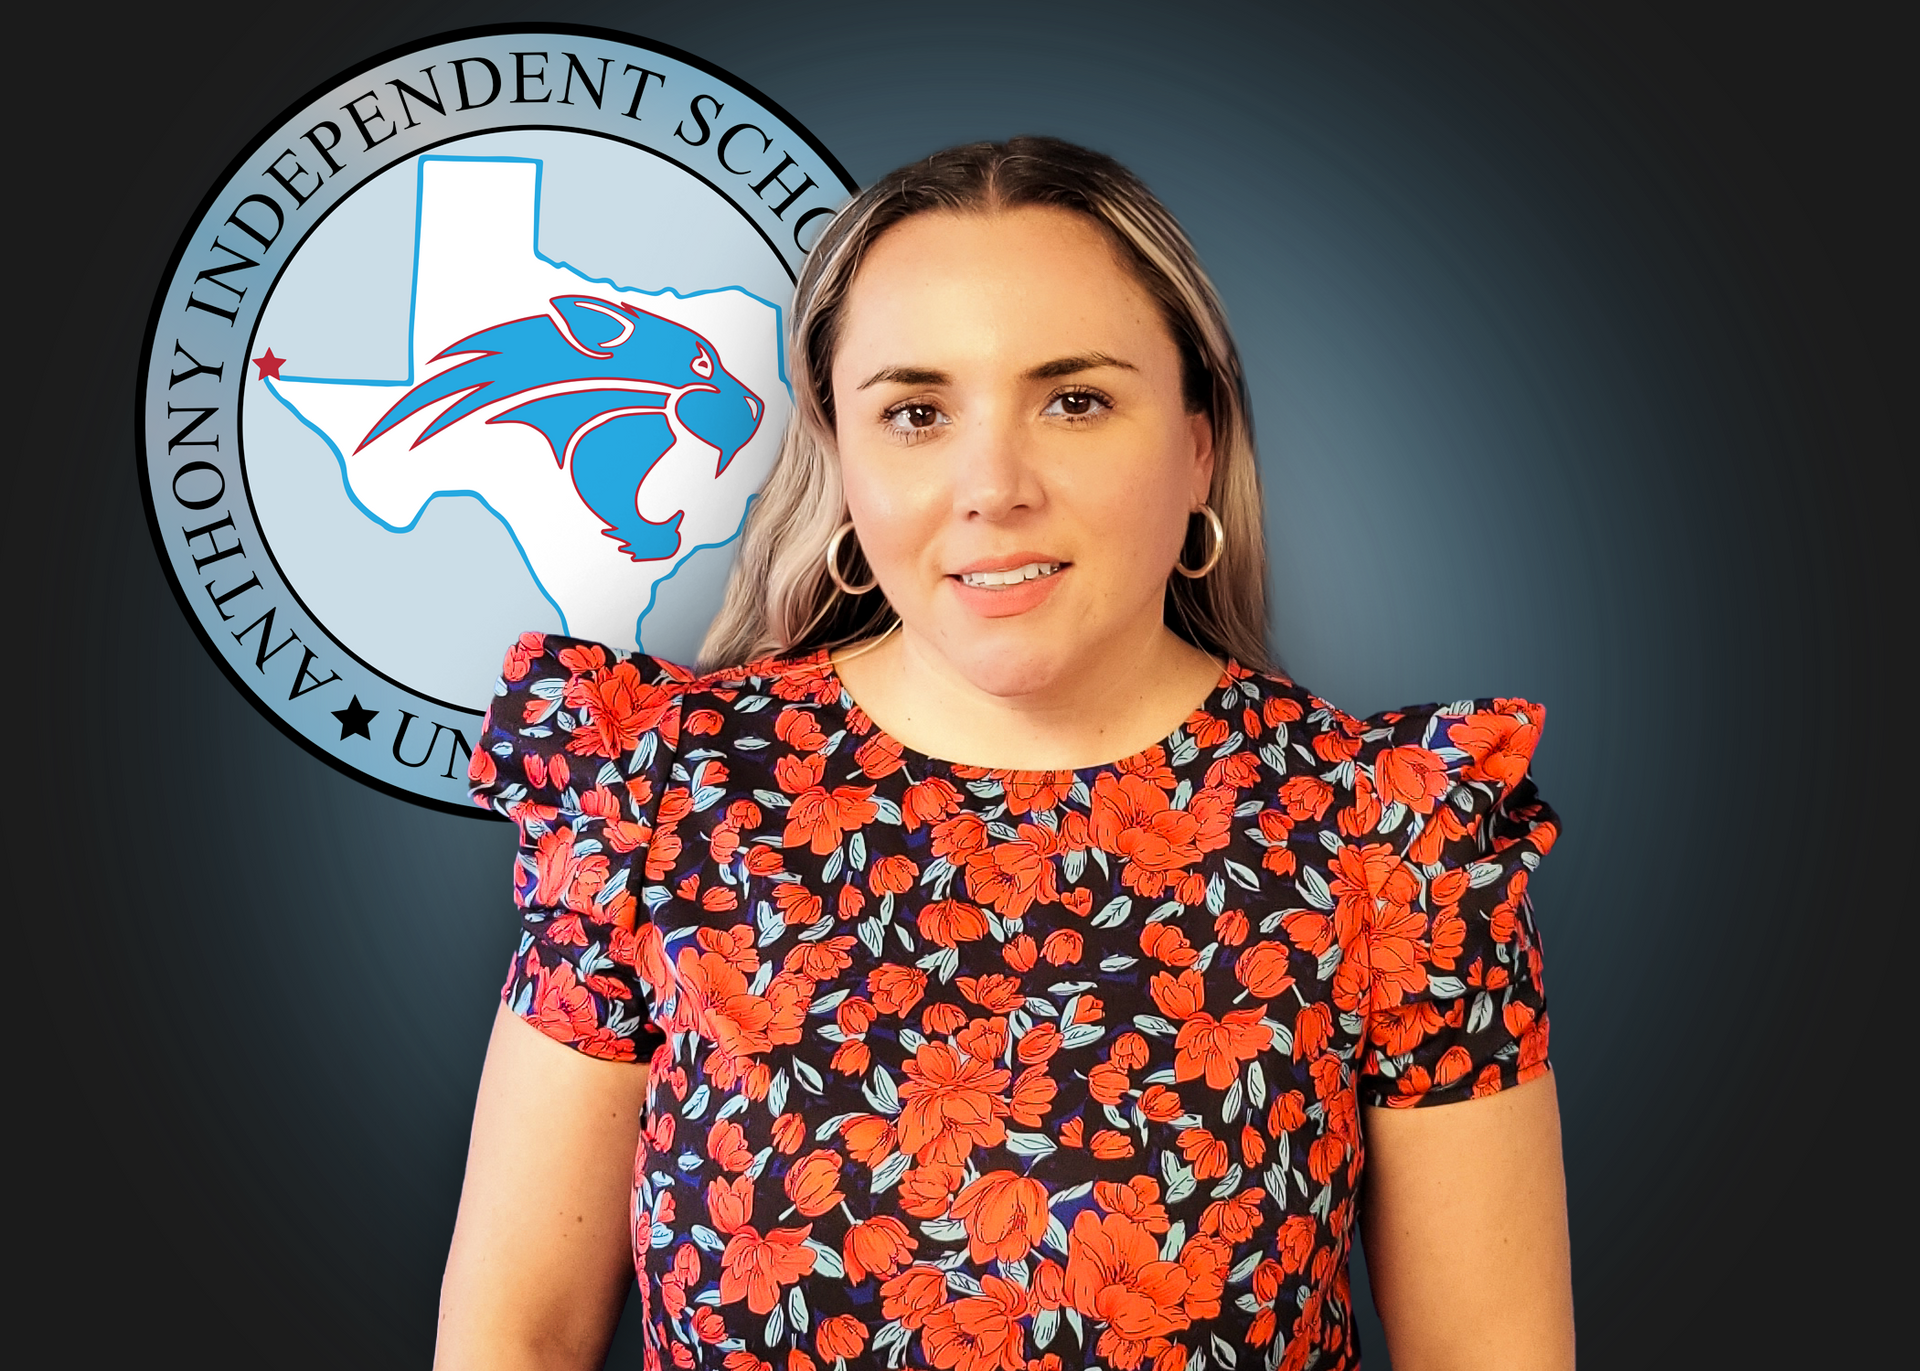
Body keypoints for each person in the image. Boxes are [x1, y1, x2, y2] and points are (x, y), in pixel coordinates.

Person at [438, 137, 1574, 1371]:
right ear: (843, 459)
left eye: (1074, 400)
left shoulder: (1388, 838)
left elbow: (1492, 1350)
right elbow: (519, 1334)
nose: (992, 485)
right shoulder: (659, 798)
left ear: (1199, 443)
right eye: (916, 413)